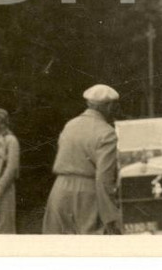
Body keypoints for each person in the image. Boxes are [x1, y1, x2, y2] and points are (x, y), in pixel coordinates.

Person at [42, 84, 123, 234]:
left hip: (59, 190)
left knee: (57, 248)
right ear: (108, 106)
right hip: (86, 194)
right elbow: (104, 179)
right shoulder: (107, 133)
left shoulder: (70, 125)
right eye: (114, 105)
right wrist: (112, 217)